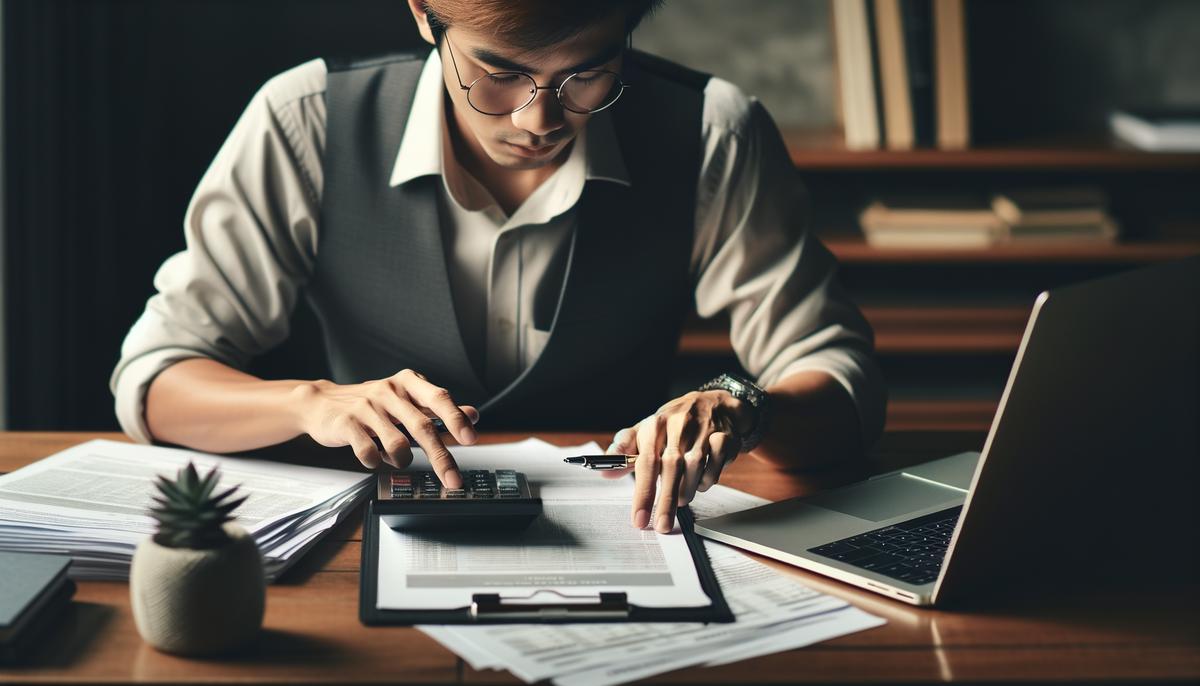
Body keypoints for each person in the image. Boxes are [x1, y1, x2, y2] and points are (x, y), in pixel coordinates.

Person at [111, 0, 885, 534]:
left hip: (632, 535)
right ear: (423, 13)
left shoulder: (713, 132)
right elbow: (156, 381)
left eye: (587, 74)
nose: (539, 120)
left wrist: (745, 405)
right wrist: (311, 403)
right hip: (374, 539)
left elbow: (842, 386)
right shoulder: (304, 119)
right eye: (500, 72)